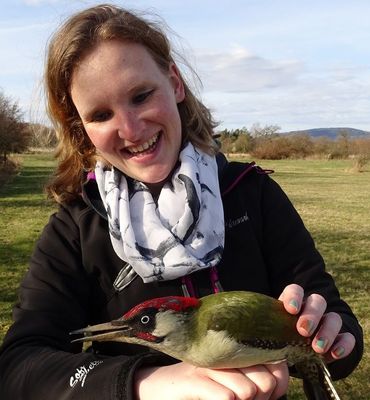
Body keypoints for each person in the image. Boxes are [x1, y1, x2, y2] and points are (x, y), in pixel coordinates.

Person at [0, 4, 363, 400]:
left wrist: (330, 337)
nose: (131, 129)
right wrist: (145, 383)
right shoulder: (75, 230)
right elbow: (18, 369)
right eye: (101, 113)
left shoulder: (252, 193)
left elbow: (337, 325)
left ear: (174, 83)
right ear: (82, 128)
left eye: (141, 96)